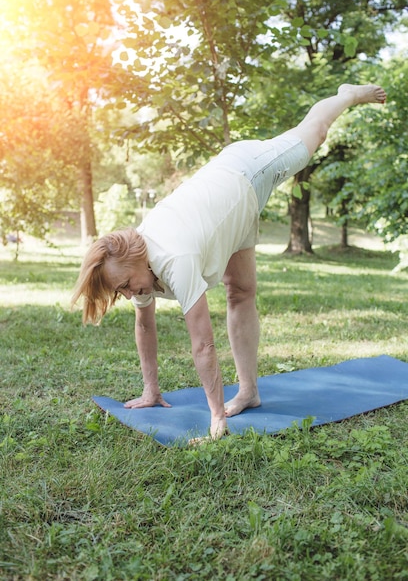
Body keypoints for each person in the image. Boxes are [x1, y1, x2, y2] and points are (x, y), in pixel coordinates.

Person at [72, 84, 386, 440]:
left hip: (248, 170)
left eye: (127, 286)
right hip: (233, 213)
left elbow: (203, 344)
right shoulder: (134, 268)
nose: (130, 295)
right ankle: (249, 391)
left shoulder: (176, 259)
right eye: (121, 290)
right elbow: (144, 325)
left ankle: (345, 95)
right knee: (239, 291)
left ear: (138, 259)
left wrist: (216, 415)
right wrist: (151, 390)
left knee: (314, 133)